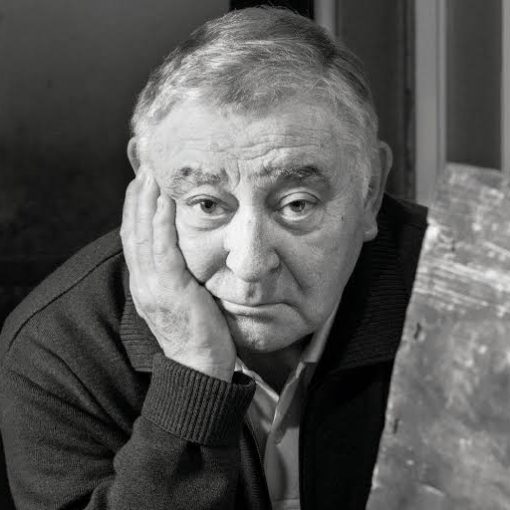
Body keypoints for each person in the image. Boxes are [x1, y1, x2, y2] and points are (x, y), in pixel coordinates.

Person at [0, 7, 427, 510]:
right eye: (206, 204)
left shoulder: (474, 295)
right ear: (146, 181)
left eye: (297, 205)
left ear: (370, 191)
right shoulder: (59, 349)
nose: (250, 265)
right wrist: (193, 376)